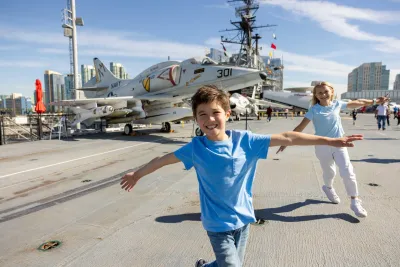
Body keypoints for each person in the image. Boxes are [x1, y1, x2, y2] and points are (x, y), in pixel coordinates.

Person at [121, 85, 364, 267]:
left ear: (227, 114)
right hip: (217, 225)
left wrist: (330, 140)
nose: (209, 119)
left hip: (244, 219)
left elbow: (289, 137)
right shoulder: (196, 148)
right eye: (202, 114)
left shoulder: (246, 141)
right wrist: (137, 174)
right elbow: (162, 160)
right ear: (195, 118)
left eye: (215, 112)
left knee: (230, 263)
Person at [277, 82, 388, 218]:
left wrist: (375, 101)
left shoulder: (337, 104)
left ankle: (355, 201)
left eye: (325, 92)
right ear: (316, 95)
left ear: (332, 92)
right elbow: (300, 127)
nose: (323, 95)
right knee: (330, 172)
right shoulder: (314, 110)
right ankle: (328, 188)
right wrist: (286, 141)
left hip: (339, 143)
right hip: (322, 145)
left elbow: (358, 102)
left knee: (348, 171)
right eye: (319, 93)